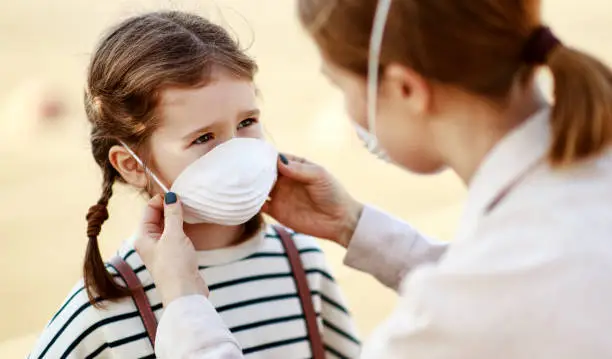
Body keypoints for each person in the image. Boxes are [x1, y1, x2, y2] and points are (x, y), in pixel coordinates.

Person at [135, 0, 612, 358]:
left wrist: (181, 303)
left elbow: (493, 297)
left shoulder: (483, 294)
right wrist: (354, 225)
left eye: (342, 86)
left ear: (406, 89)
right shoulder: (569, 202)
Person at [28, 11, 361, 359]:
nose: (237, 151)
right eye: (203, 137)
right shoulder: (99, 315)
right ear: (132, 165)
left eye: (247, 121)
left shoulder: (304, 266)